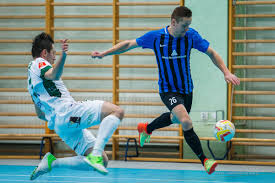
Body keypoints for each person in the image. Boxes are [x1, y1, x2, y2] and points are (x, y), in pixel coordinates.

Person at [91, 6, 240, 175]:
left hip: (186, 90)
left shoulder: (191, 36)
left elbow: (211, 53)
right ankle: (205, 160)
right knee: (186, 121)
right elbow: (128, 44)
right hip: (168, 90)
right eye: (184, 25)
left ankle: (146, 128)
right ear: (173, 22)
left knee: (176, 118)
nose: (187, 29)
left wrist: (226, 72)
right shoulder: (156, 37)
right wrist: (104, 53)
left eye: (189, 25)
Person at [28, 32, 124, 180]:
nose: (54, 57)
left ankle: (53, 163)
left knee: (104, 162)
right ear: (44, 53)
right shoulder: (39, 63)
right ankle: (96, 154)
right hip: (68, 112)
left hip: (61, 124)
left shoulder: (31, 83)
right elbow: (53, 74)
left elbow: (40, 114)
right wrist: (64, 55)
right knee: (116, 111)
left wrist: (60, 118)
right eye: (53, 53)